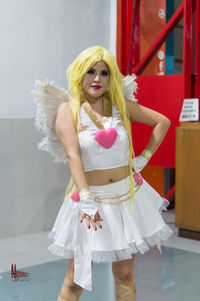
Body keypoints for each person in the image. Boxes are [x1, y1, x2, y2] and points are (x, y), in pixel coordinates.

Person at [32, 45, 173, 301]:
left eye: (104, 73)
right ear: (79, 74)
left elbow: (162, 122)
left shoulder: (120, 106)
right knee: (77, 280)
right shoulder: (68, 110)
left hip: (126, 200)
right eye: (91, 72)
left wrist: (143, 159)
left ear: (111, 77)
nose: (97, 79)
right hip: (91, 202)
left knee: (126, 275)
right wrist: (86, 199)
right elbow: (73, 155)